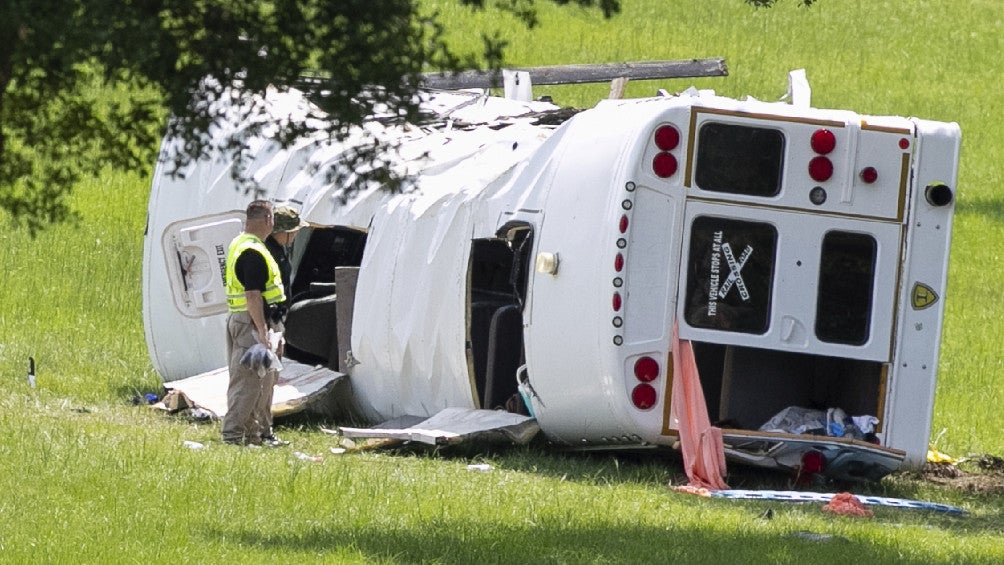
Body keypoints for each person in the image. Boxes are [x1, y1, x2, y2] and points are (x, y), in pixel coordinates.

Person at [221, 200, 288, 447]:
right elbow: (252, 294)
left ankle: (254, 435)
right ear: (268, 220)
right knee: (248, 380)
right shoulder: (253, 251)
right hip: (252, 322)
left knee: (263, 380)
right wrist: (262, 330)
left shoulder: (243, 244)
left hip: (256, 320)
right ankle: (232, 435)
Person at [256, 205, 308, 446]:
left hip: (275, 319)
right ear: (283, 232)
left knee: (270, 377)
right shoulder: (269, 253)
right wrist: (270, 326)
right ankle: (259, 430)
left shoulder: (276, 251)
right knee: (263, 378)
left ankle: (263, 429)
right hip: (270, 320)